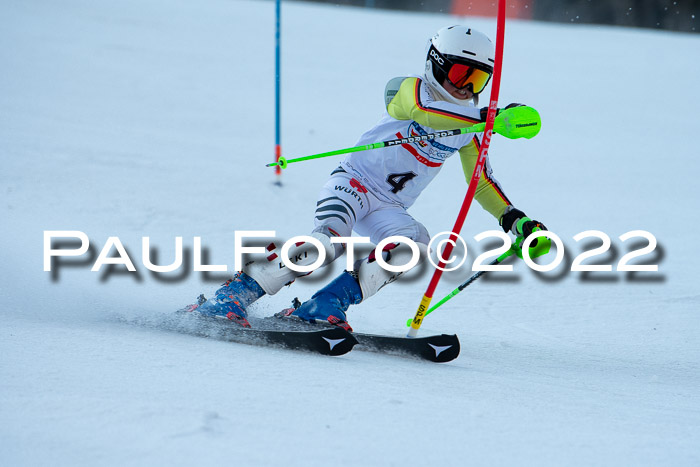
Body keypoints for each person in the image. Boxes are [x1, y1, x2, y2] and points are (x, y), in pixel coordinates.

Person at [189, 25, 546, 330]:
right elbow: (427, 114)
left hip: (389, 206)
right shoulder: (409, 90)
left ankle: (324, 305)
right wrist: (488, 115)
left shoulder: (472, 125)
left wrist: (514, 219)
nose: (466, 89)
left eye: (478, 79)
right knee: (328, 243)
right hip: (353, 184)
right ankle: (232, 297)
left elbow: (480, 182)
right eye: (459, 75)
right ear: (435, 64)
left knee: (412, 246)